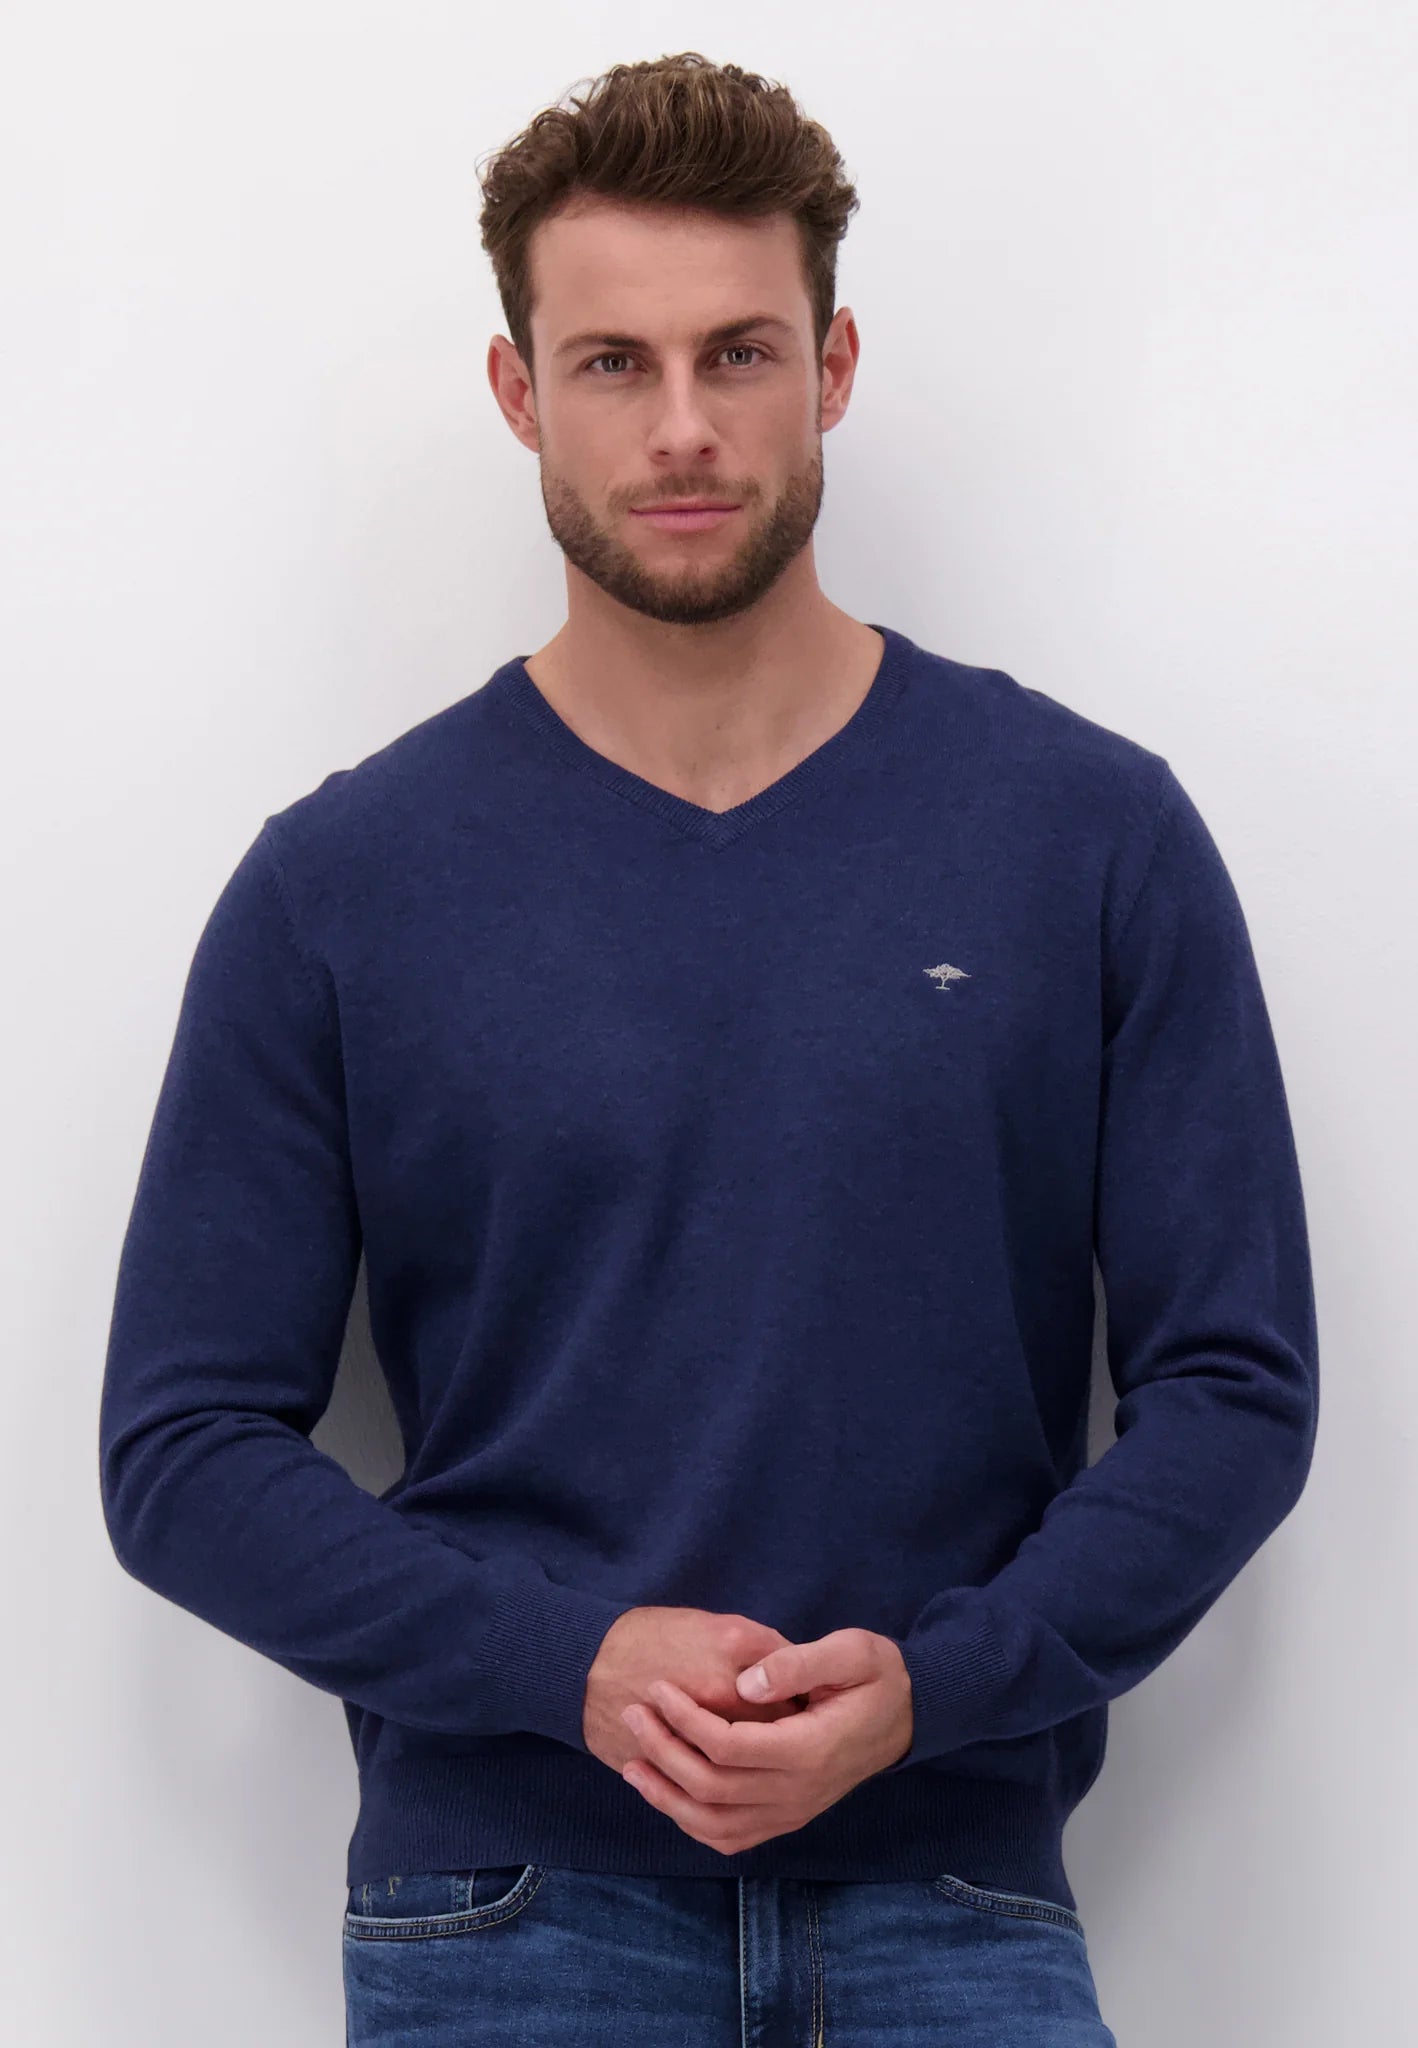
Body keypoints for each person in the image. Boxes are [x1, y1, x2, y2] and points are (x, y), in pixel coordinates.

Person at [98, 50, 1319, 2046]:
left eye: (738, 353)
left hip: (953, 1891)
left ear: (830, 367)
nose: (681, 427)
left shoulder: (1087, 838)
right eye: (613, 363)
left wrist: (942, 1684)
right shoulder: (342, 885)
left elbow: (1234, 1388)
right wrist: (558, 1664)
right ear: (520, 393)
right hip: (504, 1913)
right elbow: (182, 1451)